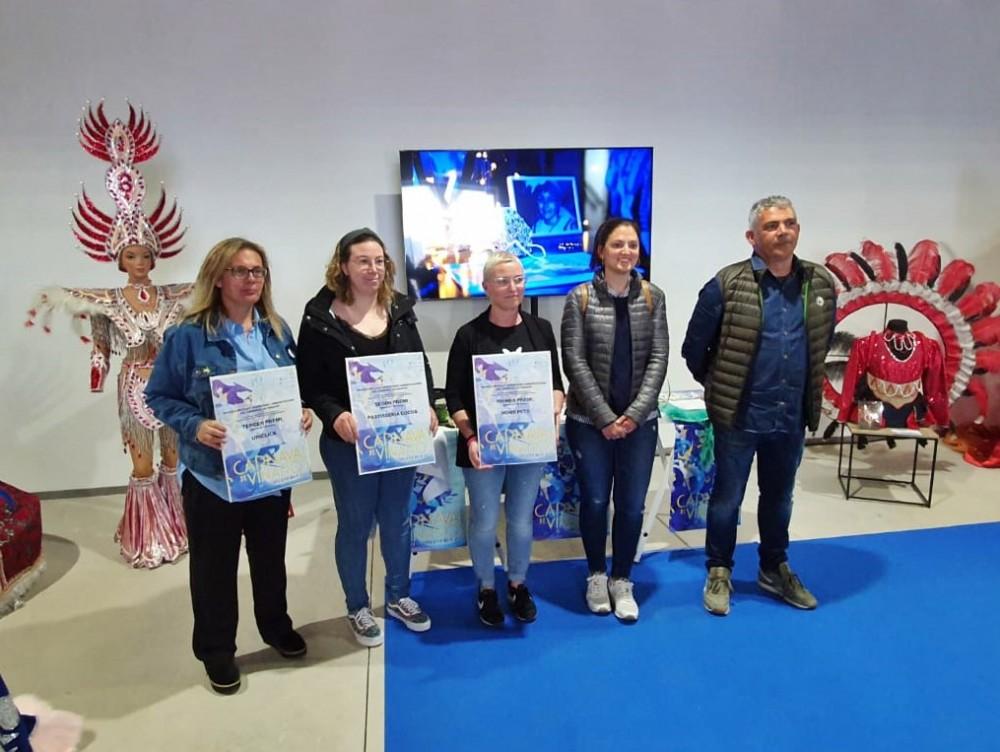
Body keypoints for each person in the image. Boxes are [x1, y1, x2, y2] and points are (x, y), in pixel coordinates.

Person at [26, 103, 190, 569]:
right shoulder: (108, 302)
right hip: (134, 385)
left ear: (154, 257)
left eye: (145, 255)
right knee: (142, 466)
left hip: (172, 387)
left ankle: (177, 528)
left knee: (172, 462)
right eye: (131, 256)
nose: (139, 263)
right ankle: (147, 536)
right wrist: (98, 372)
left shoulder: (173, 296)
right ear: (119, 259)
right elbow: (100, 346)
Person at [146, 238, 310, 694]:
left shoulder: (276, 330)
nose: (251, 279)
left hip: (271, 473)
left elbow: (291, 388)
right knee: (214, 569)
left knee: (270, 559)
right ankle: (217, 650)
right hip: (212, 478)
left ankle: (275, 626)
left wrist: (301, 411)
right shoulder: (188, 336)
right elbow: (159, 396)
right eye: (240, 271)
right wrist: (196, 425)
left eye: (257, 271)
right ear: (218, 278)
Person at [681, 195, 837, 616]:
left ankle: (774, 568)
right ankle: (719, 570)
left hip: (790, 416)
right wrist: (721, 386)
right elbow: (694, 349)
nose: (782, 231)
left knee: (779, 498)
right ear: (752, 237)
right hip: (739, 416)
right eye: (771, 226)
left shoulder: (820, 284)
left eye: (789, 223)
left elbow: (820, 343)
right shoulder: (726, 284)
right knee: (727, 498)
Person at [296, 228, 437, 647]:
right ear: (343, 266)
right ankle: (357, 605)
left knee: (397, 520)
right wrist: (334, 414)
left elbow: (419, 364)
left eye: (379, 261)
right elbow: (309, 383)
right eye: (362, 261)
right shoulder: (319, 317)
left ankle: (398, 596)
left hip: (399, 437)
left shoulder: (399, 308)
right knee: (356, 525)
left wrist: (428, 403)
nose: (373, 269)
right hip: (348, 444)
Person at [445, 251, 565, 626]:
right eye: (502, 281)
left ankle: (517, 584)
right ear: (486, 287)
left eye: (518, 280)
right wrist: (470, 437)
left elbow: (556, 385)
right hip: (483, 448)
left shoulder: (541, 329)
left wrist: (552, 416)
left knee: (520, 520)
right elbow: (454, 397)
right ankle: (486, 588)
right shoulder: (469, 336)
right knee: (483, 521)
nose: (512, 288)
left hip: (529, 444)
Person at [561, 218, 668, 622]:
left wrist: (634, 415)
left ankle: (622, 579)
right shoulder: (580, 298)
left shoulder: (653, 297)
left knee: (631, 505)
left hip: (640, 423)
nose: (626, 252)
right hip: (589, 424)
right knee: (593, 501)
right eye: (618, 244)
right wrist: (605, 418)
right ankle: (596, 574)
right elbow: (574, 361)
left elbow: (659, 358)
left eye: (632, 245)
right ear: (601, 250)